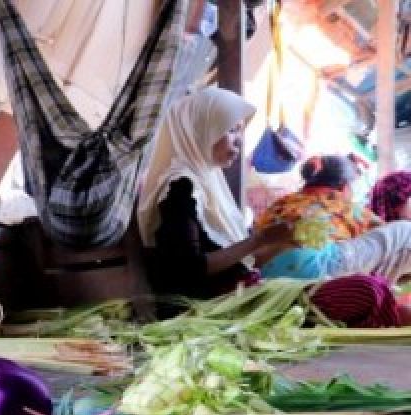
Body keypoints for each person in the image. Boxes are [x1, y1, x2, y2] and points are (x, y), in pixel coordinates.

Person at [137, 87, 405, 327]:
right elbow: (187, 270)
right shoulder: (180, 189)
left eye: (239, 131)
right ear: (201, 130)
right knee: (367, 291)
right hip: (219, 308)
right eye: (230, 130)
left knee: (377, 290)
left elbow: (241, 257)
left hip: (251, 293)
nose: (238, 141)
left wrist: (282, 243)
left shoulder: (206, 182)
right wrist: (259, 240)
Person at [255, 155, 382, 242]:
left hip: (261, 277)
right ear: (344, 185)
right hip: (322, 279)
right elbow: (392, 234)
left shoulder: (280, 205)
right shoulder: (347, 209)